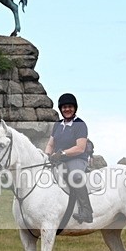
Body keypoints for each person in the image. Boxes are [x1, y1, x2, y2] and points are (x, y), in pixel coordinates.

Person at [45, 93, 94, 224]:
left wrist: (62, 154)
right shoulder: (57, 125)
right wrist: (47, 156)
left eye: (70, 107)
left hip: (76, 158)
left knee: (75, 176)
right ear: (61, 109)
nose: (67, 109)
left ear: (75, 108)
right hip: (59, 160)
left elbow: (80, 148)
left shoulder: (80, 125)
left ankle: (87, 211)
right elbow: (50, 144)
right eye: (64, 107)